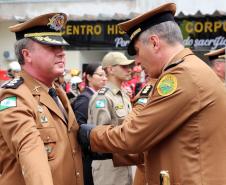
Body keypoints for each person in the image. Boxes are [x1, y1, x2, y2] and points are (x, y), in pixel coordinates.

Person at [78, 2, 226, 185]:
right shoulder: (189, 69)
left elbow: (135, 135)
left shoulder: (181, 75)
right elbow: (158, 142)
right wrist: (105, 150)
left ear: (155, 43)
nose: (137, 62)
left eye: (137, 52)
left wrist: (90, 135)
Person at [0, 13, 84, 185]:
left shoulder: (56, 92)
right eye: (51, 47)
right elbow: (30, 152)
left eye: (61, 47)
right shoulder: (15, 97)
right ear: (27, 55)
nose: (61, 53)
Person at [87, 52, 134, 185]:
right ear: (110, 69)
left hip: (124, 162)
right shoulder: (102, 97)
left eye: (129, 66)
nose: (129, 69)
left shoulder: (123, 95)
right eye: (124, 66)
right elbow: (101, 137)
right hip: (108, 165)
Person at [72, 63, 107, 185]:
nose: (104, 78)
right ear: (89, 77)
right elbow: (79, 129)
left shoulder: (98, 97)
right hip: (89, 158)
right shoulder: (85, 99)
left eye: (105, 75)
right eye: (100, 74)